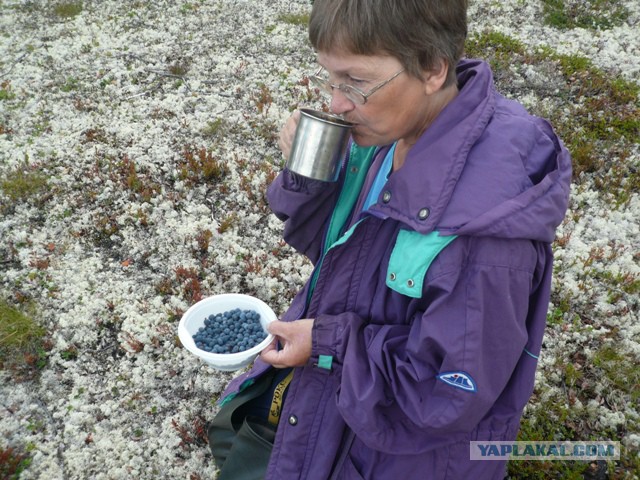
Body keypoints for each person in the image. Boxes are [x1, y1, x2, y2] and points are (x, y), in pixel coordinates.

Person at [208, 0, 572, 478]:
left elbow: (444, 392)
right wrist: (308, 174)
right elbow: (339, 252)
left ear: (433, 68)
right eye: (330, 79)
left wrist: (327, 342)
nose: (336, 102)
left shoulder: (484, 239)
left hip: (400, 455)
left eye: (355, 81)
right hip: (347, 407)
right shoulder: (394, 132)